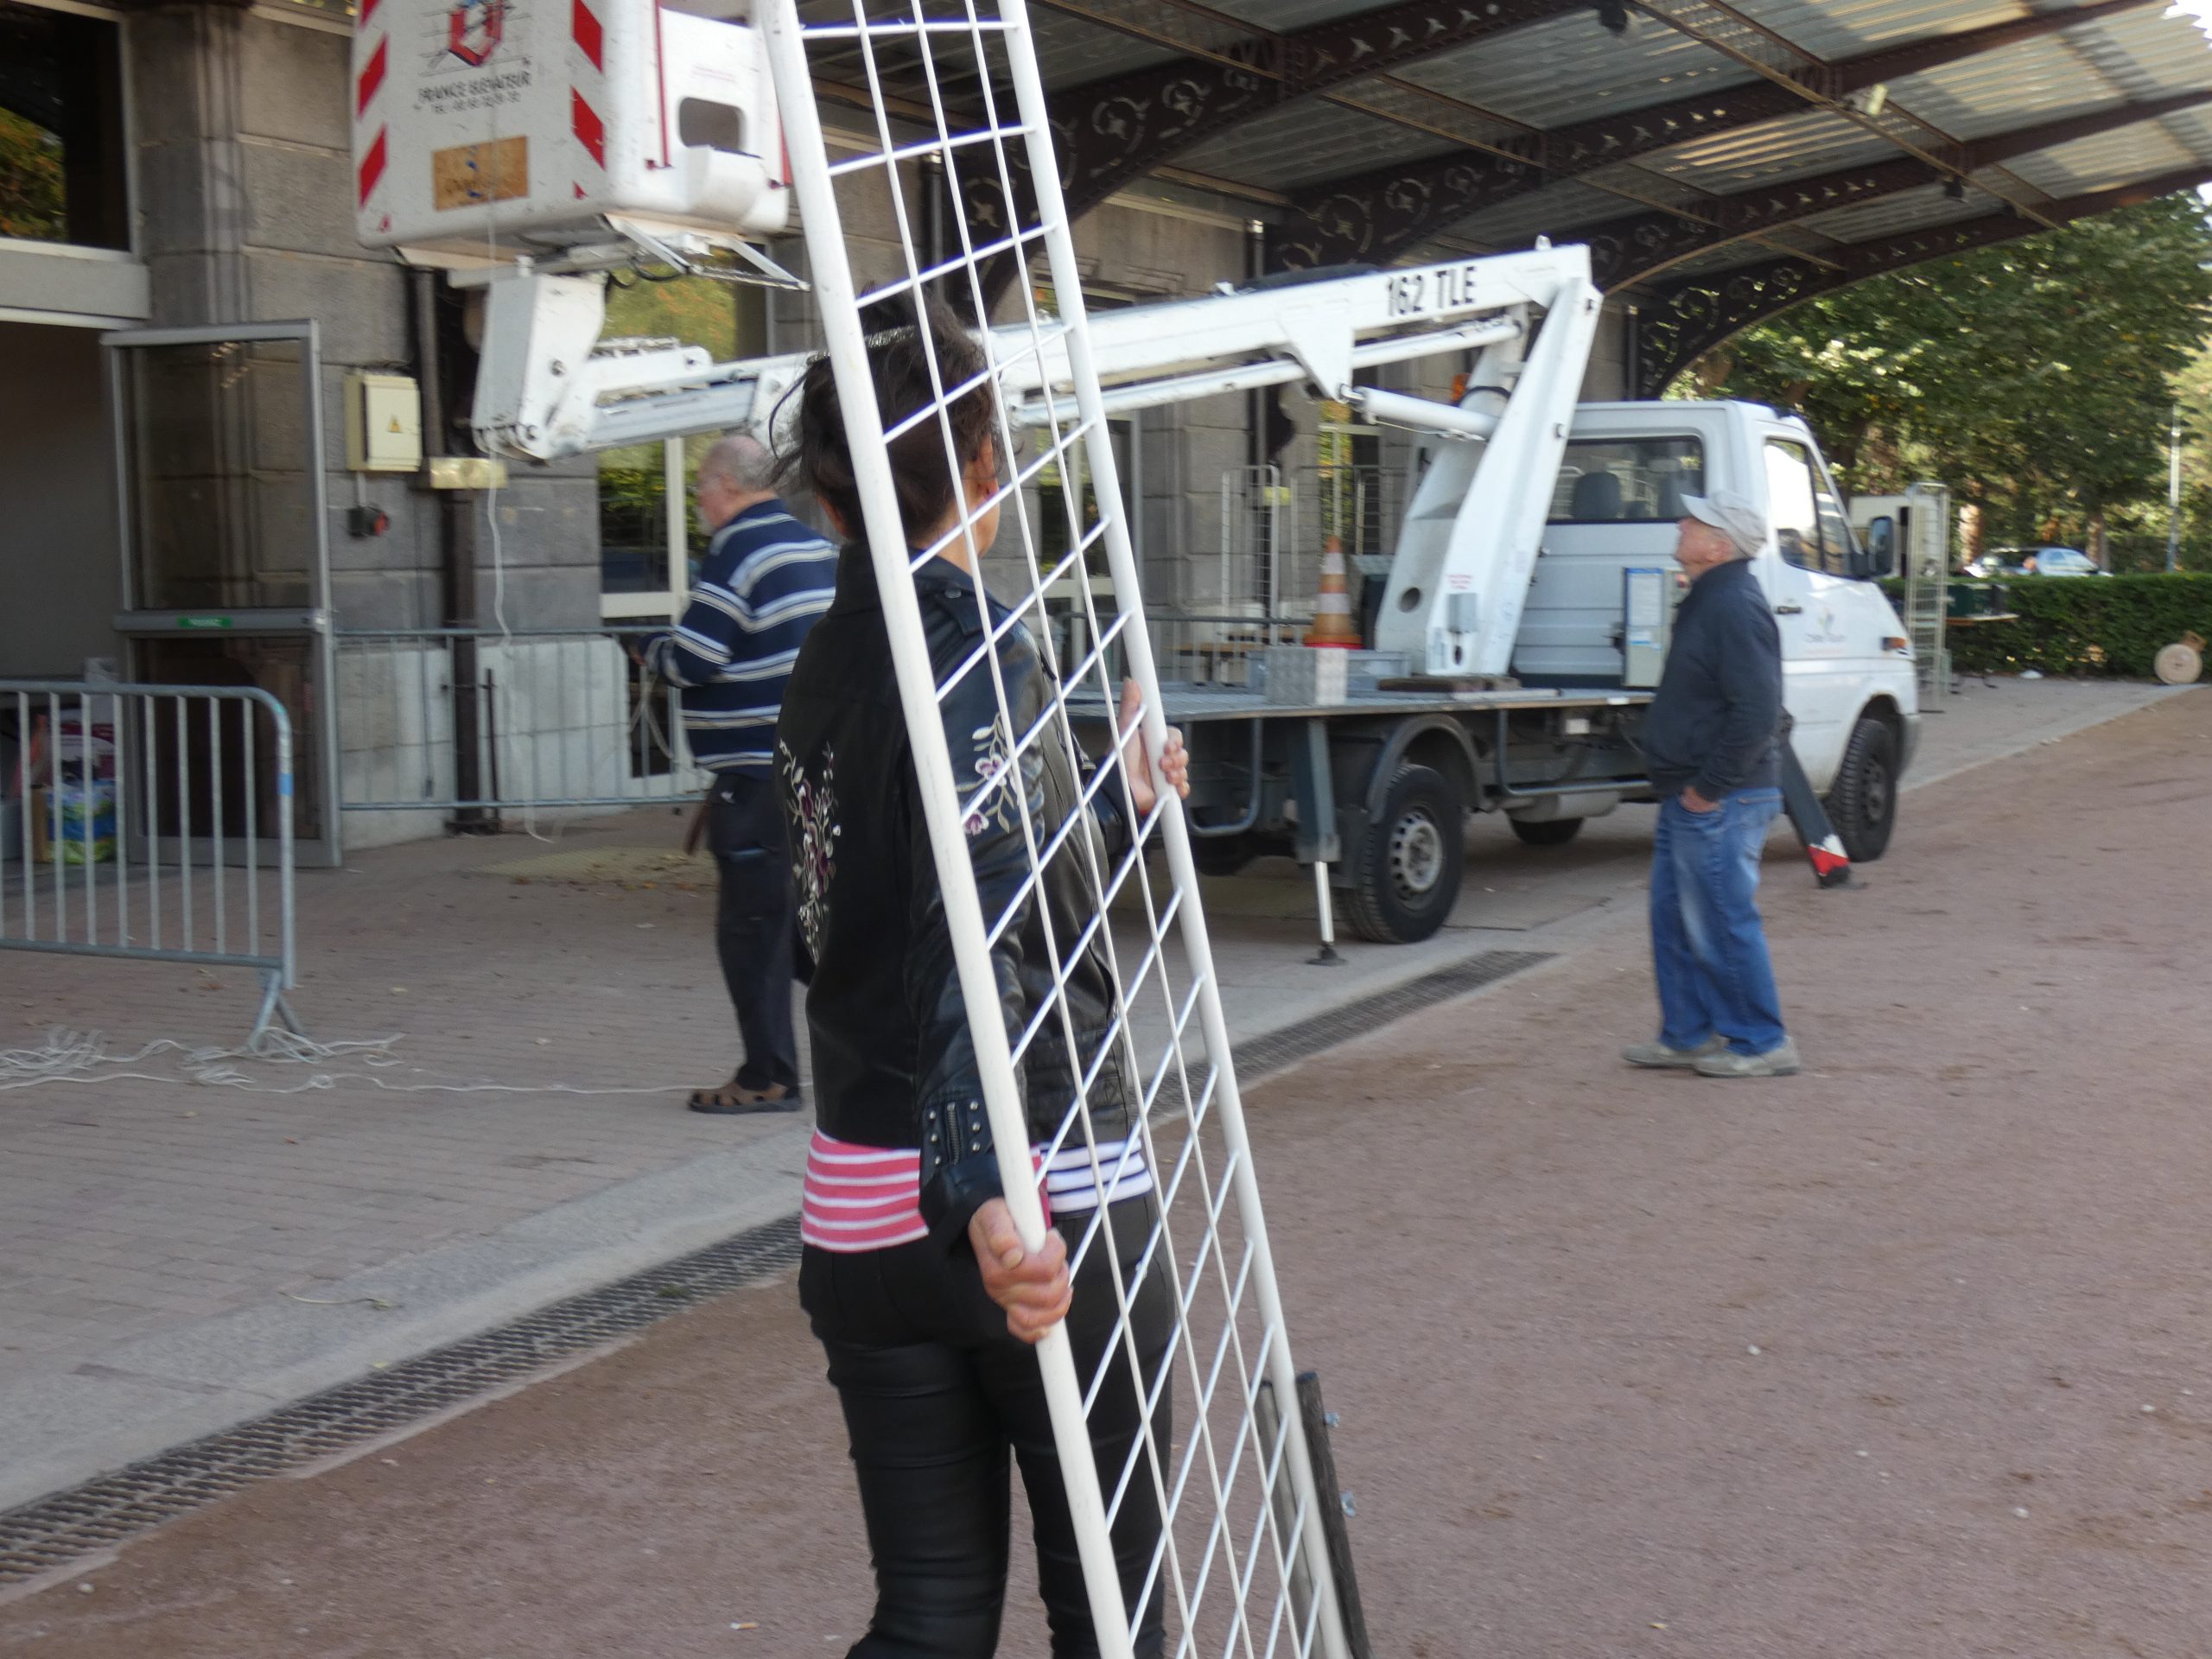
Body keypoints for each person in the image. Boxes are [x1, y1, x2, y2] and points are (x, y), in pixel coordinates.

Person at [774, 302, 1192, 1658]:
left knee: (930, 1618)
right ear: (976, 461)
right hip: (1036, 1192)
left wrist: (1108, 806)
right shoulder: (970, 641)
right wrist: (981, 1200)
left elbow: (871, 916)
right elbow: (977, 946)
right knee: (1110, 1617)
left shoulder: (826, 661)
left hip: (858, 1204)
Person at [641, 434, 836, 1114]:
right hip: (817, 773)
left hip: (754, 778)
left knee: (754, 931)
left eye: (700, 489)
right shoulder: (815, 547)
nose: (699, 502)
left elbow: (697, 655)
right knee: (813, 928)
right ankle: (896, 1043)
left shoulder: (736, 550)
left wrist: (654, 652)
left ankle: (768, 1076)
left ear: (725, 486)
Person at [1624, 486, 1798, 1079]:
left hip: (1720, 796)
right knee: (1675, 919)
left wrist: (1709, 788)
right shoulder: (1712, 597)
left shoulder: (1732, 605)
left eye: (1694, 522)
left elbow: (1756, 710)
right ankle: (1686, 1034)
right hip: (1698, 794)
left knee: (1720, 919)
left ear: (1717, 546)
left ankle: (1761, 1042)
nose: (1680, 524)